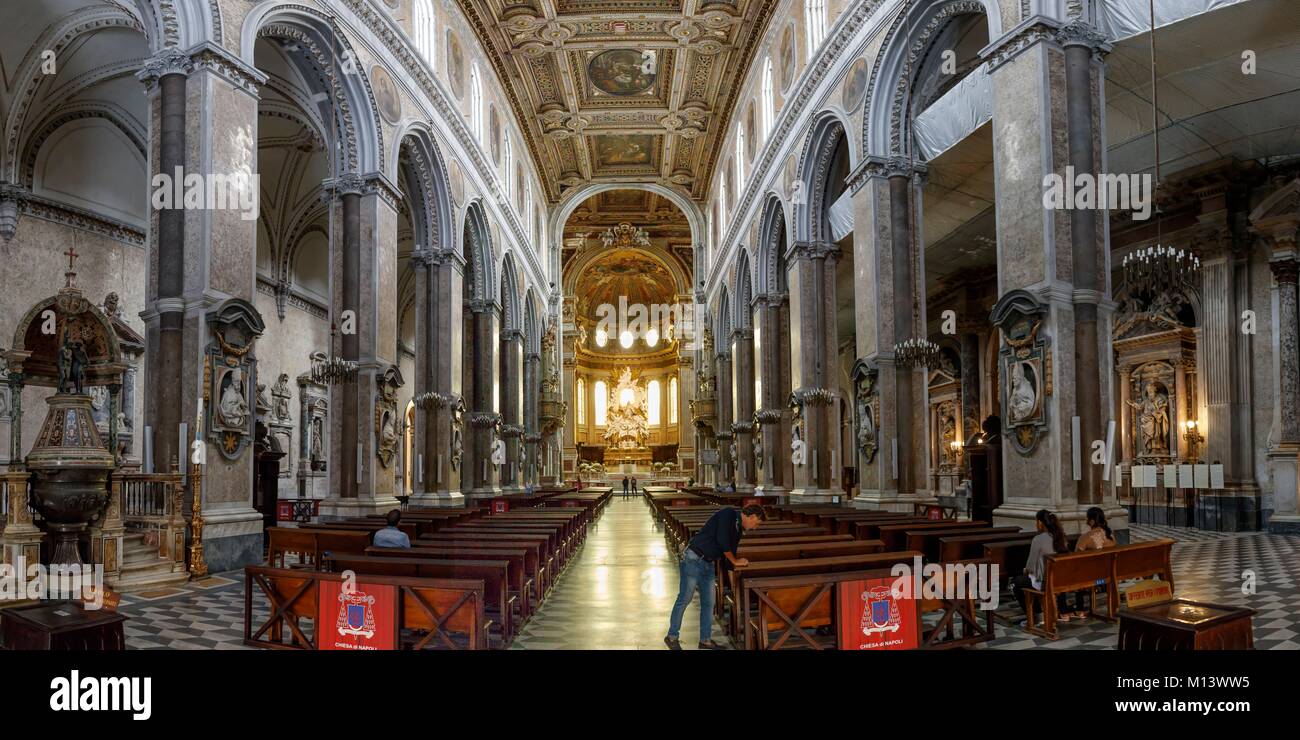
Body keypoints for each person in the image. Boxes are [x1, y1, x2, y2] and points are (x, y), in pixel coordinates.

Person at [665, 504, 765, 650]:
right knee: (685, 598)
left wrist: (737, 581)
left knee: (709, 602)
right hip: (693, 558)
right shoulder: (728, 513)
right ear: (752, 516)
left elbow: (730, 557)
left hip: (708, 563)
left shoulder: (738, 531)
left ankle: (705, 640)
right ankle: (672, 636)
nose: (755, 527)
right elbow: (722, 541)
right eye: (756, 523)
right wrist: (735, 561)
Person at [1009, 509, 1069, 628]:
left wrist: (1023, 571)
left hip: (1045, 582)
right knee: (1028, 580)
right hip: (1059, 579)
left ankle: (1037, 616)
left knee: (1015, 583)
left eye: (1036, 521)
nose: (1036, 524)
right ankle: (1055, 611)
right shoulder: (1061, 538)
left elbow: (1030, 567)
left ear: (1041, 523)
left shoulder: (1038, 539)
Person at [1067, 506, 1117, 618]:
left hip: (1093, 577)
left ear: (1092, 521)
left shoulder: (1085, 537)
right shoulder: (1111, 535)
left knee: (1076, 570)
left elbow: (1075, 557)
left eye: (1087, 518)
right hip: (1108, 573)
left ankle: (1079, 608)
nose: (1086, 521)